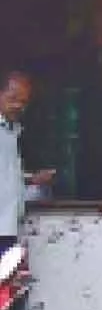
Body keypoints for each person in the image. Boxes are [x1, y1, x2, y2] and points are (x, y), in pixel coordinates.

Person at [0, 70, 55, 255]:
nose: (18, 106)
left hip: (9, 227)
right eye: (13, 98)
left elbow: (6, 174)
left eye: (23, 102)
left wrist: (31, 180)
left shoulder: (11, 129)